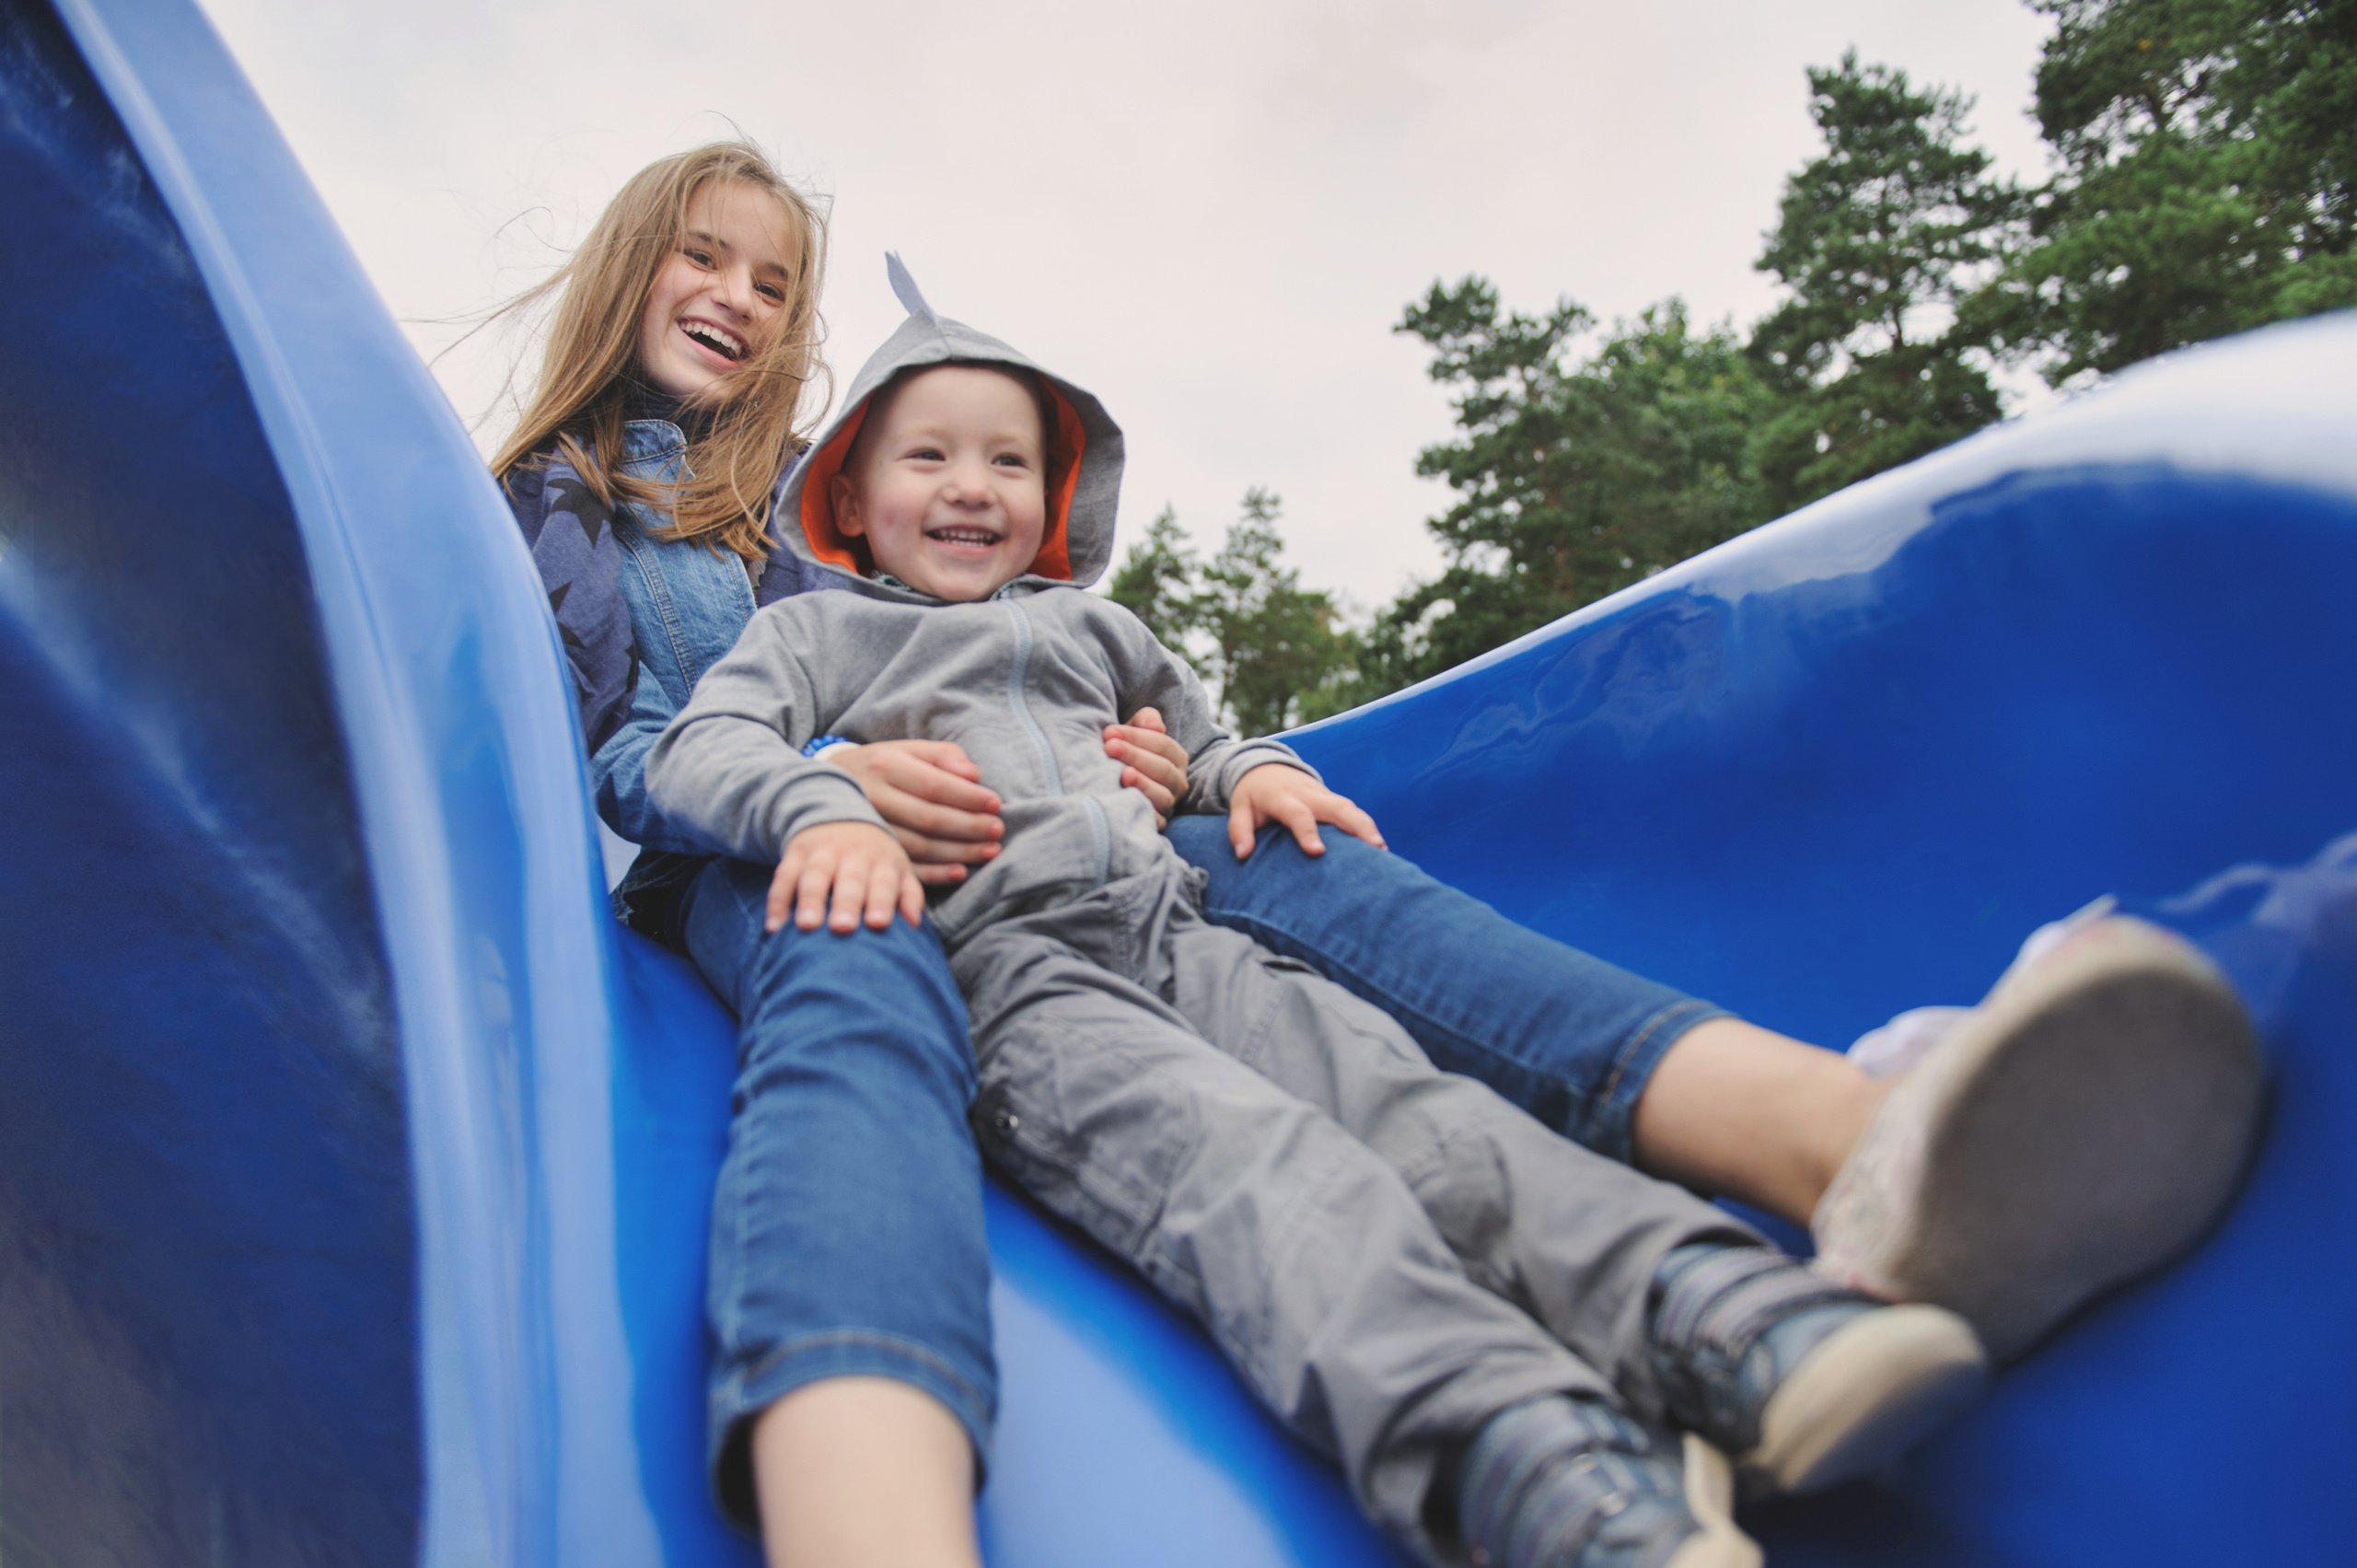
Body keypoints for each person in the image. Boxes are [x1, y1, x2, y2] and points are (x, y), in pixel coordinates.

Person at [498, 142, 2263, 1568]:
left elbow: (1180, 713)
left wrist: (1202, 766)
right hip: (852, 907)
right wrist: (819, 790)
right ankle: (1520, 1454)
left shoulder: (903, 539)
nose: (735, 296)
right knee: (1245, 1152)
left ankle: (1745, 1277)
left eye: (772, 278)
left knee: (1380, 1037)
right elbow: (648, 752)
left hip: (1149, 897)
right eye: (702, 257)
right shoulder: (599, 519)